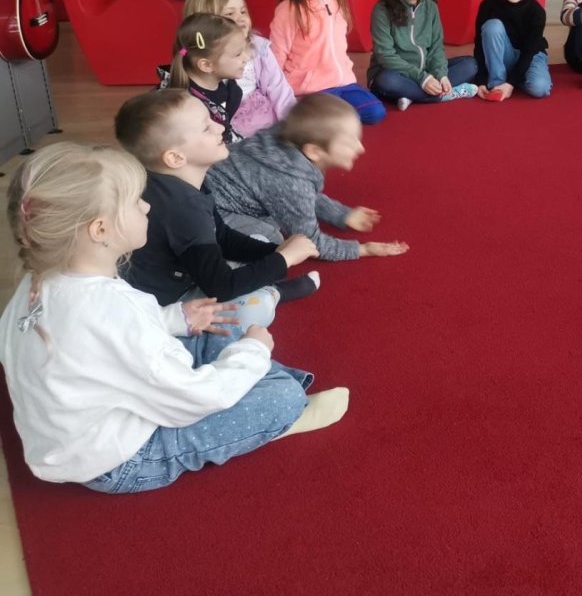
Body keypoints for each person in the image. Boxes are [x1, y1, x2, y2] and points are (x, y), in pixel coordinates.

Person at [0, 142, 349, 493]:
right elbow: (192, 399)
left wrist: (175, 319)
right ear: (100, 230)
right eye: (136, 201)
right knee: (281, 397)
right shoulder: (110, 310)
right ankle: (281, 408)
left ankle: (255, 377)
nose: (147, 206)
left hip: (79, 427)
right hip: (118, 460)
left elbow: (103, 340)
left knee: (216, 324)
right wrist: (254, 351)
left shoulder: (40, 280)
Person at [116, 90, 321, 329]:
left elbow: (221, 236)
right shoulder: (184, 209)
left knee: (261, 242)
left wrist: (275, 252)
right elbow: (221, 287)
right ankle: (273, 294)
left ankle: (266, 283)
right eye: (206, 127)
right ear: (175, 158)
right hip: (167, 306)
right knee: (252, 310)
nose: (220, 127)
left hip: (185, 272)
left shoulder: (178, 184)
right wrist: (284, 259)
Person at [205, 93, 410, 263]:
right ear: (314, 151)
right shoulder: (291, 182)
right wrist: (362, 249)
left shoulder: (289, 141)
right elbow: (311, 242)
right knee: (274, 240)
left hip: (209, 189)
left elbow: (302, 194)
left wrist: (341, 215)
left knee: (280, 214)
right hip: (211, 213)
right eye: (350, 142)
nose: (361, 148)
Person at [270, 0, 387, 125]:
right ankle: (309, 113)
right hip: (311, 89)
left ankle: (323, 118)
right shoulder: (289, 9)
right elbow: (277, 55)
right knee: (334, 122)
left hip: (344, 83)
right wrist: (280, 96)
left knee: (375, 112)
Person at [366, 0, 479, 111]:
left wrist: (441, 74)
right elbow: (386, 56)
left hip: (426, 71)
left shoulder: (430, 7)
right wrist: (422, 79)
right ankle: (442, 95)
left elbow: (436, 47)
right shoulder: (381, 11)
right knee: (386, 81)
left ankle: (411, 95)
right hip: (395, 74)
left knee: (471, 65)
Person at [184, 0, 296, 138]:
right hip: (224, 124)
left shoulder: (258, 47)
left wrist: (294, 123)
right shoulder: (202, 59)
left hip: (261, 116)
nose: (241, 18)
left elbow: (278, 89)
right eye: (229, 14)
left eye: (243, 11)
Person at [473, 0, 552, 101]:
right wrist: (481, 80)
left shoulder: (537, 12)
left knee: (539, 88)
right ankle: (497, 83)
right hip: (504, 54)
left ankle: (513, 79)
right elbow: (479, 45)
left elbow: (529, 51)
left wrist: (511, 83)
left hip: (531, 55)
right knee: (492, 26)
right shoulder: (487, 6)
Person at [163, 12, 251, 145]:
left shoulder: (229, 87)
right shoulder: (188, 108)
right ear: (206, 65)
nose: (247, 58)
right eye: (238, 54)